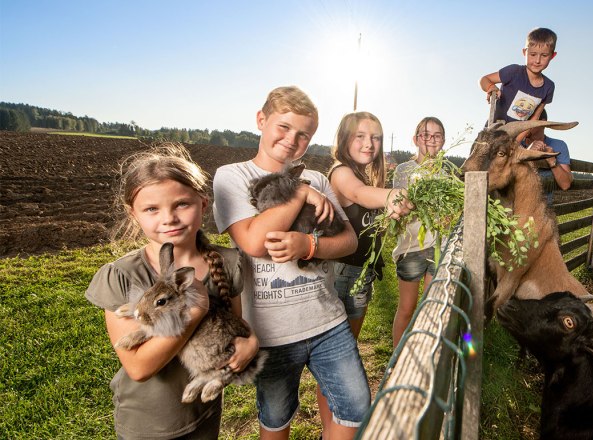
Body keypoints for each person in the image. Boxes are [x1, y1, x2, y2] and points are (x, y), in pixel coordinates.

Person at [212, 86, 370, 440]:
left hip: (328, 321)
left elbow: (349, 241)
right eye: (283, 127)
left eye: (303, 135)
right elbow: (254, 241)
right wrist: (297, 192)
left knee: (356, 406)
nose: (291, 139)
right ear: (261, 120)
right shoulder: (232, 176)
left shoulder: (318, 179)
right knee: (276, 415)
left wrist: (308, 245)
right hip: (272, 331)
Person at [85, 143, 259, 440]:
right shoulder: (122, 275)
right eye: (152, 209)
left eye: (181, 204)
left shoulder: (227, 263)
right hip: (149, 422)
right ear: (133, 214)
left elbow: (234, 325)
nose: (169, 218)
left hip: (203, 412)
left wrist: (252, 342)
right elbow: (138, 367)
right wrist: (195, 312)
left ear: (203, 204)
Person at [328, 111, 413, 339]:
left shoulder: (362, 175)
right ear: (344, 139)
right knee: (343, 344)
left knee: (350, 341)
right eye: (360, 136)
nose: (369, 144)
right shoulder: (341, 172)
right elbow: (359, 193)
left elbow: (368, 218)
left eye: (375, 137)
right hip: (346, 271)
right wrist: (393, 195)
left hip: (362, 270)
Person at [391, 116, 446, 348]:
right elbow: (400, 205)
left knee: (430, 304)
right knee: (407, 307)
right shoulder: (405, 170)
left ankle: (425, 353)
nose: (431, 140)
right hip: (411, 247)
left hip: (438, 247)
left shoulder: (446, 174)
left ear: (443, 141)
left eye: (437, 135)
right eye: (425, 135)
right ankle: (397, 355)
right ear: (415, 139)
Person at [479, 27, 557, 138]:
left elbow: (533, 121)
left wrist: (516, 142)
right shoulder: (514, 72)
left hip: (516, 137)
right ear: (525, 52)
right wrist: (491, 87)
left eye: (544, 55)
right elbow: (484, 80)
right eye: (533, 54)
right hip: (493, 132)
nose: (537, 60)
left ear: (552, 56)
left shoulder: (549, 87)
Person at [522, 109, 573, 204]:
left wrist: (552, 160)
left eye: (529, 120)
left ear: (543, 122)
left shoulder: (559, 145)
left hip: (542, 208)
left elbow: (565, 185)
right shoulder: (515, 144)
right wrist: (528, 153)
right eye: (523, 120)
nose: (524, 124)